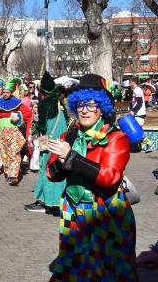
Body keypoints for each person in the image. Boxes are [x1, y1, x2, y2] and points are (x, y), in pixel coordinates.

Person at [46, 73, 137, 281]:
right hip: (73, 210)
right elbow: (52, 174)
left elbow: (110, 177)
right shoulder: (69, 135)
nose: (84, 110)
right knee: (73, 263)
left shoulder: (116, 138)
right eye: (80, 105)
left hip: (106, 211)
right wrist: (60, 160)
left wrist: (71, 157)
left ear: (101, 107)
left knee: (108, 267)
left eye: (91, 104)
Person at [24, 72, 69, 214]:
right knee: (60, 171)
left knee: (47, 170)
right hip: (61, 143)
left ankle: (47, 203)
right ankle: (60, 202)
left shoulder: (44, 104)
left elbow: (43, 127)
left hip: (48, 143)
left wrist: (37, 127)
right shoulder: (60, 102)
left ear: (42, 91)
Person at [0, 79, 31, 185]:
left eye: (7, 92)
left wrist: (19, 116)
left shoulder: (17, 102)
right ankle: (8, 173)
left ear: (11, 92)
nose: (5, 94)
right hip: (2, 132)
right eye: (4, 92)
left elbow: (27, 114)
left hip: (13, 131)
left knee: (14, 152)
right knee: (4, 154)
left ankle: (13, 176)